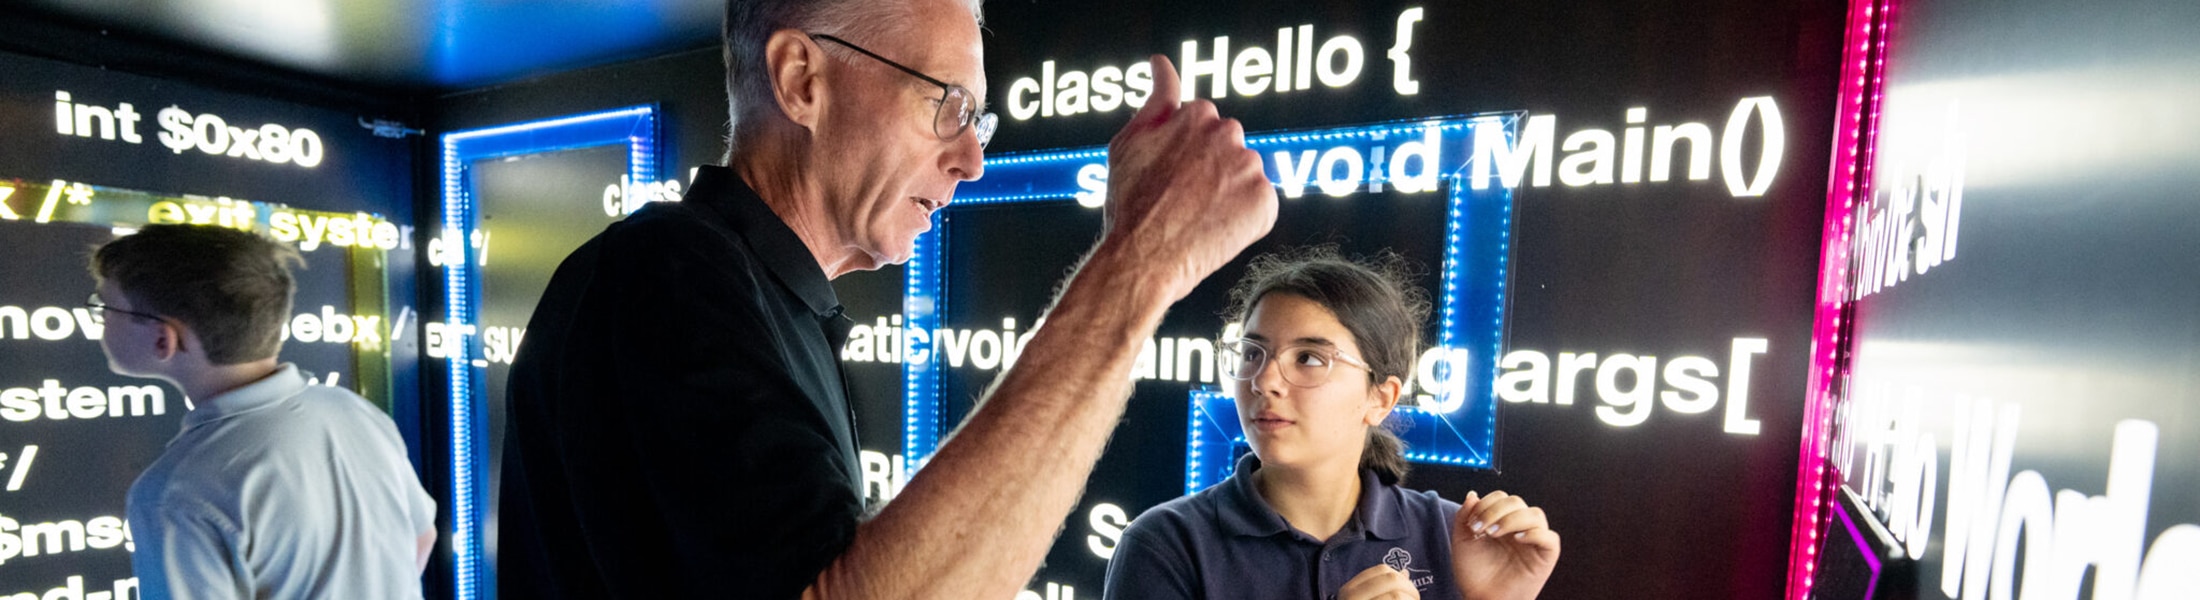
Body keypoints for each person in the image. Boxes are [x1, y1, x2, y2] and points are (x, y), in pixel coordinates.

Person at [496, 0, 1277, 596]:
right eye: (948, 105)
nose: (971, 160)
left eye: (980, 120)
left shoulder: (760, 295)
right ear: (803, 80)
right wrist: (1141, 259)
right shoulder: (665, 272)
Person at [1103, 250, 1560, 600]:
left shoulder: (1453, 535)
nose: (1264, 381)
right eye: (1252, 353)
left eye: (1308, 358)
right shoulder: (1167, 544)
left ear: (1380, 398)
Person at [89, 224, 437, 599]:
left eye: (105, 307)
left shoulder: (175, 492)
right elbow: (421, 538)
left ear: (164, 339)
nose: (100, 319)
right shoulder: (354, 410)